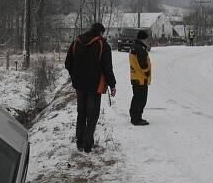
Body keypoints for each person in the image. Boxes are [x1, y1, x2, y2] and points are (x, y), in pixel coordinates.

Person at [64, 22, 117, 153]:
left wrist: (75, 75)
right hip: (95, 86)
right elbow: (107, 67)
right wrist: (112, 84)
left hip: (79, 85)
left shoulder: (76, 42)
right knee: (92, 115)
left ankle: (79, 142)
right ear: (100, 32)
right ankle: (88, 144)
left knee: (81, 113)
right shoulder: (102, 44)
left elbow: (67, 63)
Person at [129, 30, 151, 126]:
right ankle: (137, 119)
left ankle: (134, 117)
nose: (147, 40)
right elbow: (143, 66)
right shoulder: (140, 49)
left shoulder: (135, 47)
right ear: (144, 38)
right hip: (141, 78)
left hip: (135, 77)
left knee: (136, 98)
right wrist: (147, 73)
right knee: (141, 99)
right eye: (146, 39)